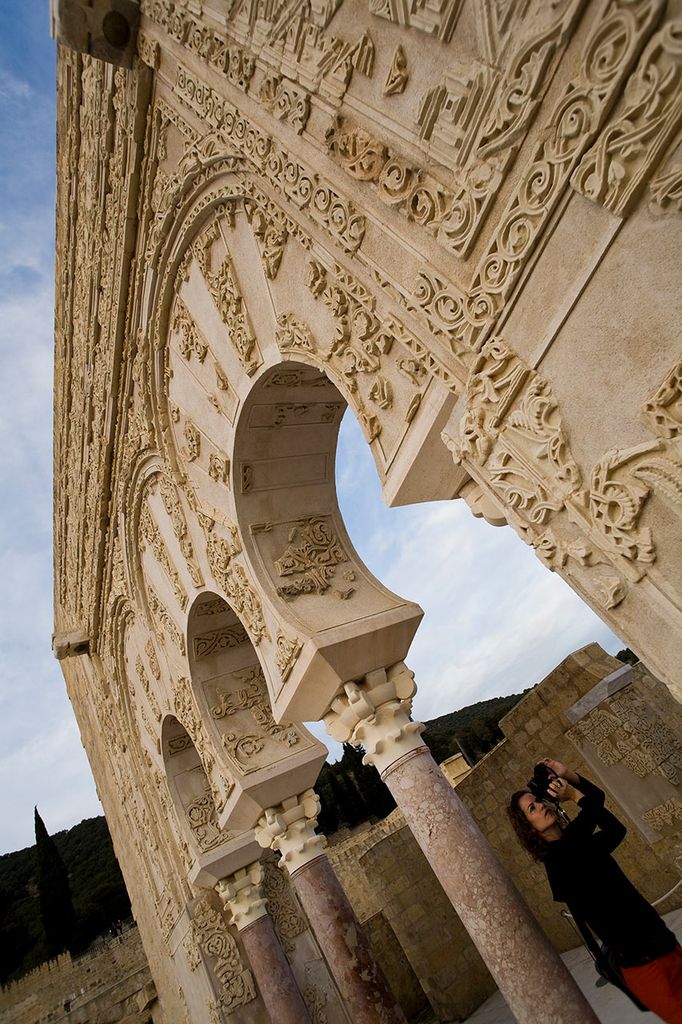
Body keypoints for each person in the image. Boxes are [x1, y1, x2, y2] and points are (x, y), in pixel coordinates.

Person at [508, 757, 682, 1023]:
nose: (542, 806)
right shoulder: (559, 860)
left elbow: (615, 829)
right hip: (644, 965)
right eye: (533, 808)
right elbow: (593, 804)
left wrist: (572, 778)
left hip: (664, 944)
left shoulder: (579, 843)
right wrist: (574, 791)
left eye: (539, 800)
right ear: (529, 829)